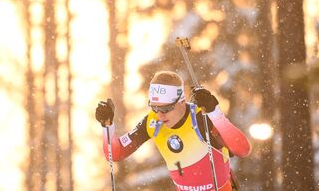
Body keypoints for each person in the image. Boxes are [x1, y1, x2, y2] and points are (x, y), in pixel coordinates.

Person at [95, 70, 251, 191]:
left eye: (166, 108)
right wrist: (107, 126)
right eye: (155, 107)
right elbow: (115, 153)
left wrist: (215, 113)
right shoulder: (152, 122)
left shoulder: (200, 117)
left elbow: (243, 149)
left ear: (181, 100)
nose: (160, 115)